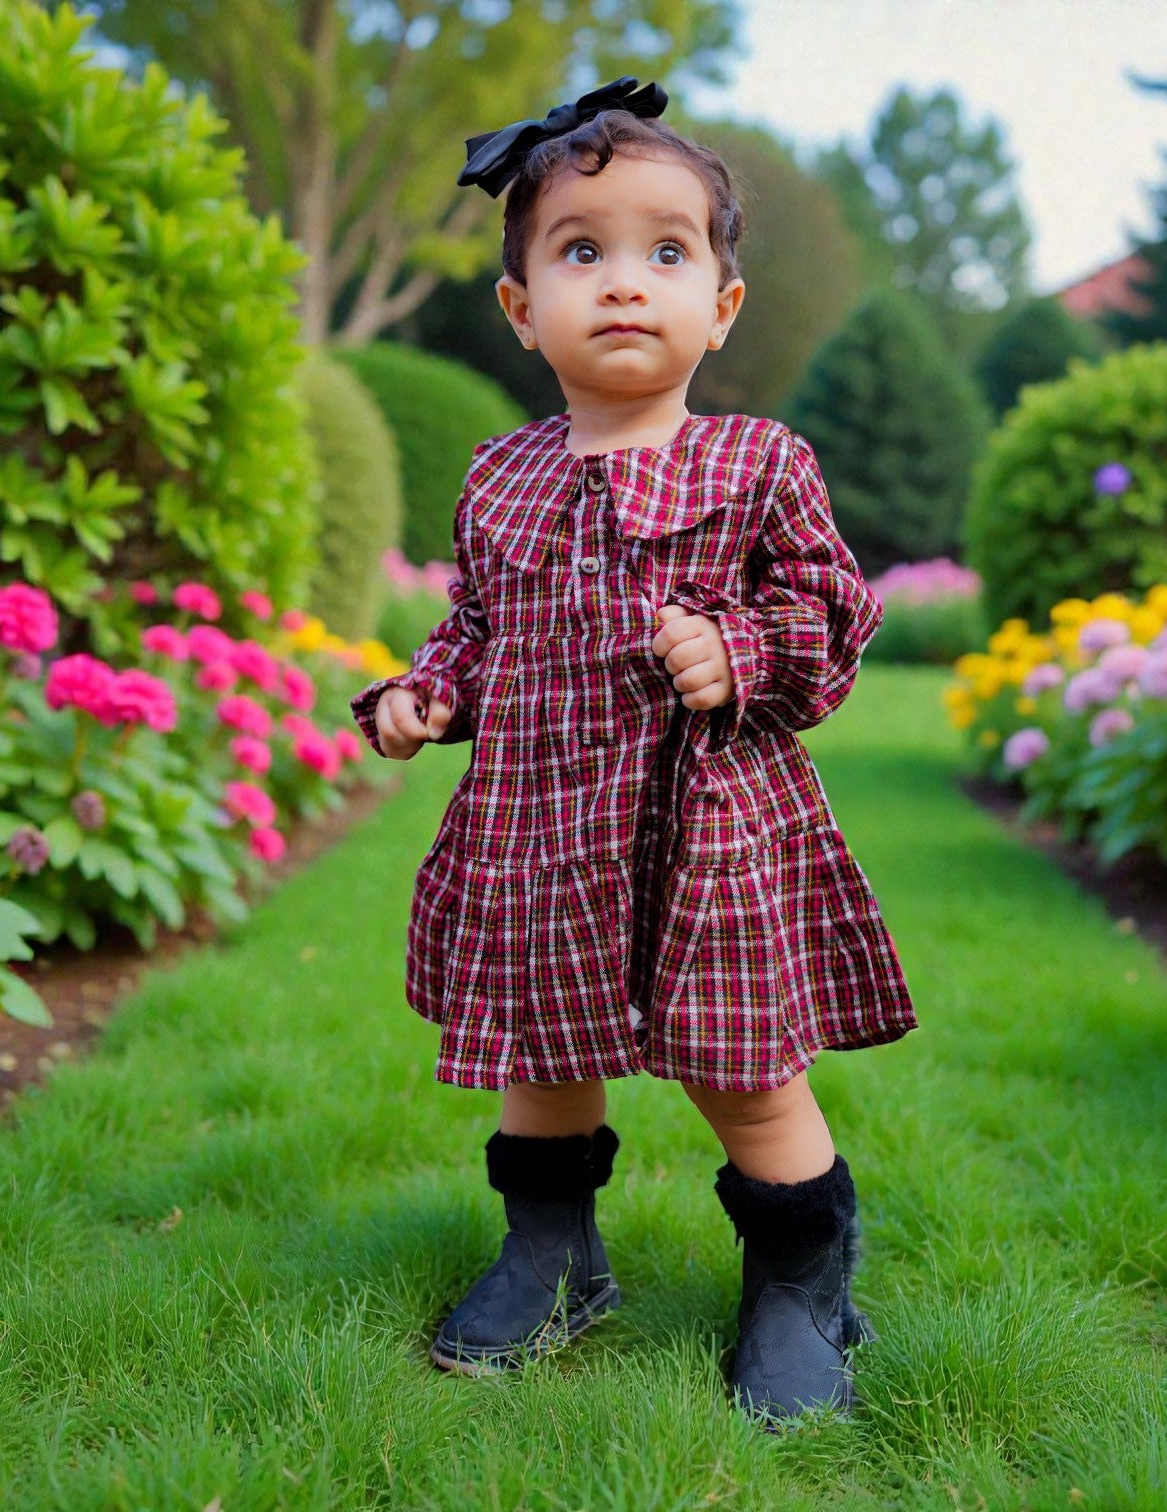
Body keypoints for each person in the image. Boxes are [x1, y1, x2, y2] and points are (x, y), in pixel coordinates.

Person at [350, 75, 919, 1430]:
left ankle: (801, 1284)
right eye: (580, 250)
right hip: (541, 829)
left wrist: (742, 651)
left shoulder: (758, 463)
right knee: (540, 1058)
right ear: (520, 307)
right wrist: (423, 696)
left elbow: (834, 607)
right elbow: (481, 628)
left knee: (745, 1070)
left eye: (668, 251)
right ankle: (553, 1258)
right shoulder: (501, 478)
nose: (623, 282)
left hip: (708, 831)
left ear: (720, 306)